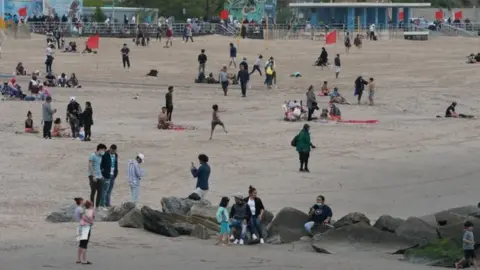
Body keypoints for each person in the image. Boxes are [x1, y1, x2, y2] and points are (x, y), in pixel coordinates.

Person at [89, 144, 107, 209]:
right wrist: (93, 176)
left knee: (100, 191)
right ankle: (91, 206)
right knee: (93, 191)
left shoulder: (100, 157)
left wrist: (101, 175)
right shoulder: (92, 155)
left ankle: (97, 206)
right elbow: (90, 166)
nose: (104, 152)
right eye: (103, 150)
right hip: (92, 175)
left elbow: (98, 167)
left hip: (99, 176)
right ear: (100, 149)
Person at [100, 144, 118, 208]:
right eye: (113, 151)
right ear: (110, 149)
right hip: (106, 175)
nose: (114, 152)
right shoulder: (105, 154)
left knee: (109, 190)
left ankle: (108, 203)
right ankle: (102, 204)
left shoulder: (116, 155)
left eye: (115, 151)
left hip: (113, 175)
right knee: (104, 190)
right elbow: (101, 164)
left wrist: (116, 173)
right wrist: (102, 173)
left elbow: (116, 164)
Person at [77, 200, 94, 265]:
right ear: (90, 206)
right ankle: (84, 260)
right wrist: (91, 222)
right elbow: (90, 218)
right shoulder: (90, 211)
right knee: (84, 245)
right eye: (92, 205)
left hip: (80, 226)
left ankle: (78, 259)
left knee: (81, 244)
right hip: (86, 227)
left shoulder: (82, 210)